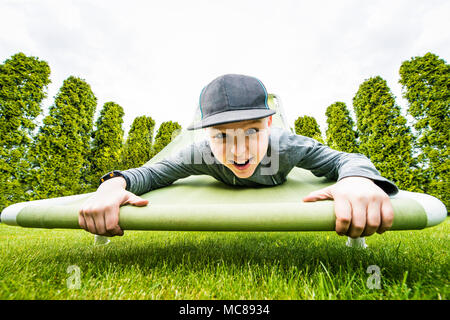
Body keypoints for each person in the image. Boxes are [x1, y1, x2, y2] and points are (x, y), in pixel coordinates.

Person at [79, 74, 397, 239]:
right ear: (205, 135)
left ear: (270, 123)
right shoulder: (200, 154)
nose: (239, 152)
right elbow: (152, 173)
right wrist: (111, 186)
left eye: (252, 132)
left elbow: (345, 159)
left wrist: (357, 181)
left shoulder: (286, 145)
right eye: (221, 136)